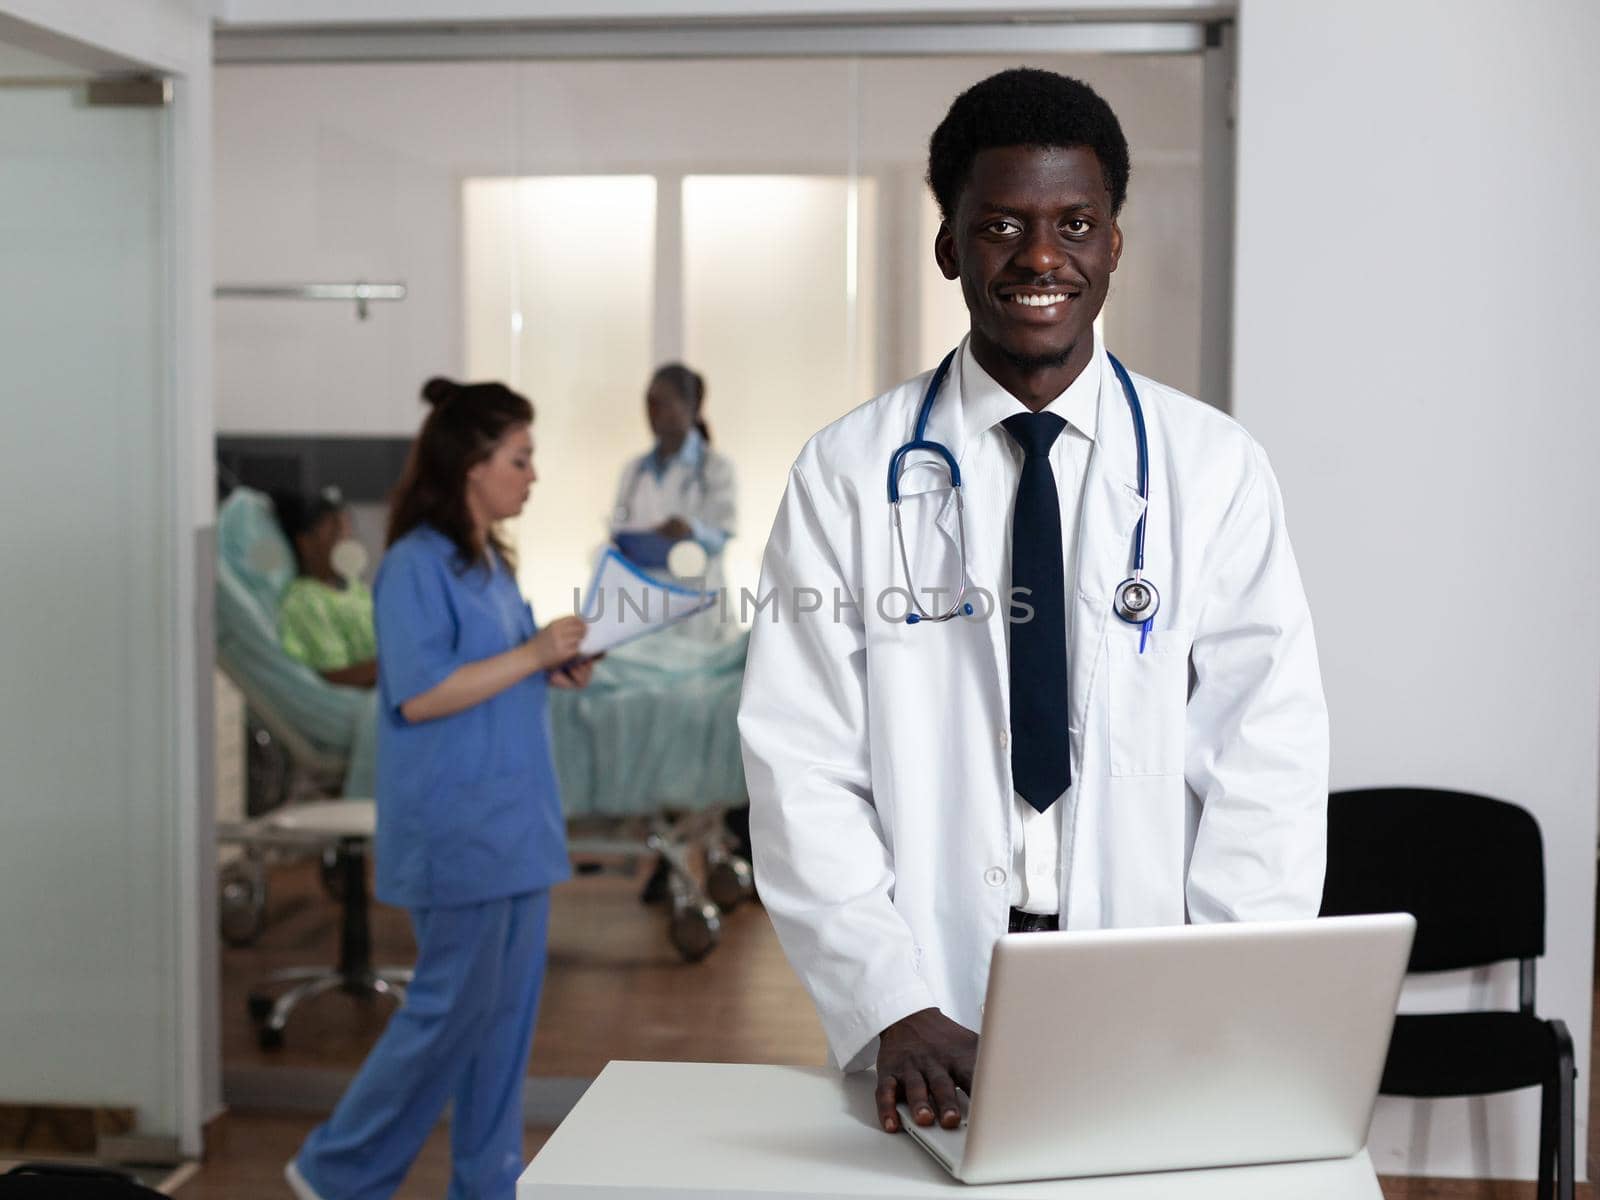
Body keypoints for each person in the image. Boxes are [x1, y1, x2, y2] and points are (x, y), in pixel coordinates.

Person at [738, 68, 1328, 1138]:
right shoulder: (847, 472)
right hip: (930, 989)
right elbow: (799, 763)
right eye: (1001, 225)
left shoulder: (1214, 469)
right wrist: (892, 1001)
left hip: (1155, 978)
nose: (1040, 258)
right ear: (949, 248)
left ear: (1113, 244)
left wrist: (1236, 988)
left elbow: (1265, 755)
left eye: (1075, 224)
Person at [287, 377, 594, 1200]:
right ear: (471, 464)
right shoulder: (413, 566)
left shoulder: (490, 562)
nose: (532, 476)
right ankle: (336, 1171)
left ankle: (489, 1183)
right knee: (444, 1018)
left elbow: (486, 675)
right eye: (520, 459)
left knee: (502, 1031)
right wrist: (530, 654)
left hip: (518, 826)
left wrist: (548, 669)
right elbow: (420, 693)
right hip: (460, 828)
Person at [608, 363, 737, 628]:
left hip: (699, 614)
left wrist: (691, 530)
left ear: (691, 407)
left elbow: (722, 535)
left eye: (663, 402)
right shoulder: (633, 471)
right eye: (649, 403)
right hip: (644, 610)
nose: (653, 412)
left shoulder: (716, 469)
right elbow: (618, 530)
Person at [271, 485, 378, 689]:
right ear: (306, 544)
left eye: (348, 530)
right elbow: (333, 677)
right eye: (336, 531)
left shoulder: (355, 589)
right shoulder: (305, 600)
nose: (347, 539)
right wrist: (398, 667)